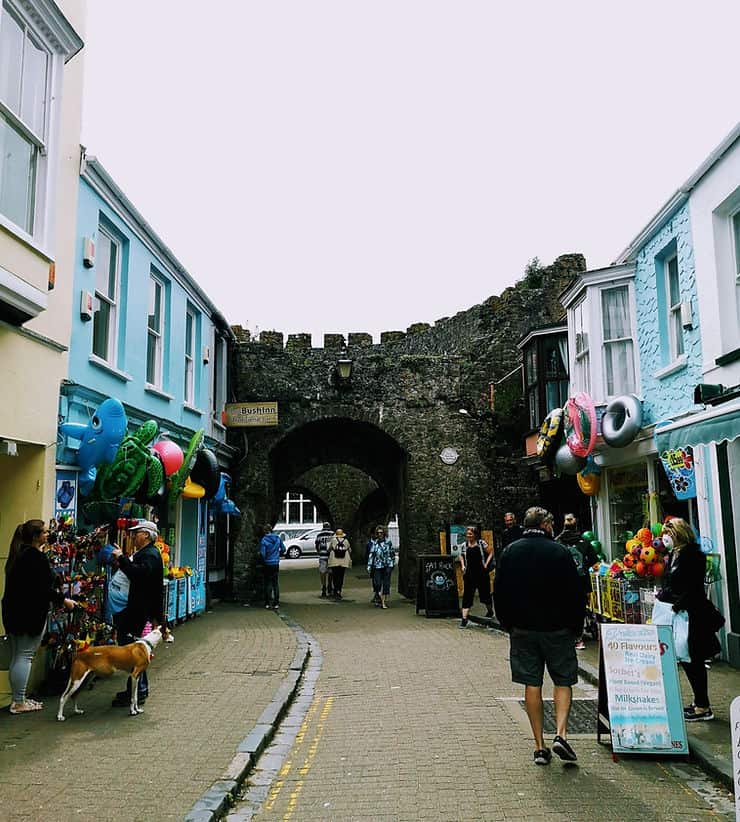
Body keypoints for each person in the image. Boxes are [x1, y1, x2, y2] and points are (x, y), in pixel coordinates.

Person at [493, 506, 585, 766]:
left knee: (531, 684)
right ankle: (561, 734)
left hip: (523, 628)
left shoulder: (511, 552)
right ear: (546, 525)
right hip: (557, 628)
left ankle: (539, 747)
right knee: (563, 680)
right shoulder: (559, 552)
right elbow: (574, 593)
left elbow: (499, 590)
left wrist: (506, 622)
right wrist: (576, 626)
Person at [2, 520, 78, 714]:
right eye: (44, 532)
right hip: (29, 614)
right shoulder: (35, 557)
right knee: (25, 656)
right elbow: (43, 588)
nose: (48, 534)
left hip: (13, 611)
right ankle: (19, 701)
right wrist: (64, 601)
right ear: (36, 536)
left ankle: (18, 698)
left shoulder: (18, 555)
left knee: (17, 655)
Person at [656, 517, 721, 722]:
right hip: (679, 615)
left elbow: (693, 587)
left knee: (694, 660)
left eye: (670, 533)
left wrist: (677, 605)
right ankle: (698, 701)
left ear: (680, 534)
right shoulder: (674, 555)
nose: (666, 538)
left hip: (692, 616)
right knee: (687, 660)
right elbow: (671, 582)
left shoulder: (693, 555)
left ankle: (703, 706)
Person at [110, 520, 164, 706]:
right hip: (137, 610)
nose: (133, 536)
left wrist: (122, 559)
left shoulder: (150, 555)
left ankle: (137, 691)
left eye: (137, 533)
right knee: (135, 650)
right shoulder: (147, 553)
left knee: (133, 652)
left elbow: (138, 575)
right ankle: (136, 690)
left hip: (138, 612)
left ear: (147, 536)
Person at [555, 513, 599, 651]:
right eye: (566, 519)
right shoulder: (557, 542)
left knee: (579, 609)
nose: (568, 521)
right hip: (563, 583)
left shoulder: (584, 543)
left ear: (576, 521)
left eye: (571, 518)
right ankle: (568, 635)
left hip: (580, 583)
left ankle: (578, 637)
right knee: (564, 609)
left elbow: (593, 560)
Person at [458, 525, 494, 628]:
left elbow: (491, 552)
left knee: (485, 594)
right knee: (467, 596)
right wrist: (463, 565)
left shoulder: (481, 544)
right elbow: (461, 555)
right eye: (467, 534)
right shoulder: (464, 545)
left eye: (470, 534)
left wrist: (486, 564)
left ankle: (490, 611)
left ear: (475, 535)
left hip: (481, 573)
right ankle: (464, 619)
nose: (468, 535)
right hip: (469, 574)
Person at [366, 525, 396, 609]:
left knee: (386, 583)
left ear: (384, 533)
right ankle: (377, 595)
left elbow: (392, 553)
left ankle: (383, 602)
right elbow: (371, 555)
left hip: (387, 565)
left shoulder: (388, 542)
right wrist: (369, 566)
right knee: (377, 583)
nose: (380, 534)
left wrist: (392, 563)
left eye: (381, 533)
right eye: (378, 533)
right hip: (377, 565)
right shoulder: (374, 543)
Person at [258, 525, 284, 609]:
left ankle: (267, 603)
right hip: (276, 563)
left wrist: (262, 558)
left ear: (265, 531)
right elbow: (283, 549)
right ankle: (276, 603)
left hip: (267, 564)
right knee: (275, 583)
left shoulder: (264, 540)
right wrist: (277, 554)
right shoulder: (278, 538)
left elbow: (263, 553)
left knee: (268, 583)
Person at [328, 528, 351, 600]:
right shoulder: (346, 541)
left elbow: (329, 549)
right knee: (341, 576)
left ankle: (335, 590)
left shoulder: (333, 540)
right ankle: (339, 590)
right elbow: (350, 550)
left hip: (334, 561)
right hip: (343, 561)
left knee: (335, 576)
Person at [315, 522, 334, 598]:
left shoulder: (319, 535)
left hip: (322, 556)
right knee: (331, 572)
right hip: (330, 556)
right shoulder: (332, 534)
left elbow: (316, 545)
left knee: (322, 572)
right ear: (329, 526)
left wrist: (319, 552)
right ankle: (330, 586)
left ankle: (323, 587)